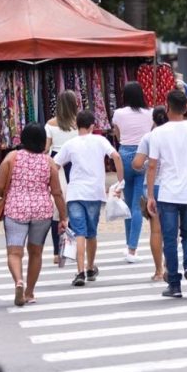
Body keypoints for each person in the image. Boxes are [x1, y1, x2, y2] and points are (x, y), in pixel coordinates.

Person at [146, 90, 187, 299]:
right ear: (186, 108)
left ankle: (174, 282)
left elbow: (152, 166)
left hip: (167, 193)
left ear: (167, 107)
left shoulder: (158, 133)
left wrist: (150, 196)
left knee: (170, 238)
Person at [0, 123, 67, 306]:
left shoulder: (12, 157)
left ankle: (18, 281)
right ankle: (29, 292)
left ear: (23, 139)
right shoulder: (48, 162)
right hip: (42, 211)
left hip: (15, 209)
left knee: (14, 251)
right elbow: (57, 193)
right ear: (43, 141)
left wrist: (8, 194)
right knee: (36, 252)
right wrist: (64, 217)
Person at [54, 111, 124, 287]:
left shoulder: (70, 144)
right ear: (92, 125)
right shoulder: (100, 141)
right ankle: (91, 267)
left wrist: (53, 186)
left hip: (75, 193)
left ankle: (80, 272)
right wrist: (120, 182)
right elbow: (116, 156)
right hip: (94, 193)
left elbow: (54, 164)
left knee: (79, 232)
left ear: (76, 125)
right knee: (91, 233)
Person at [111, 82, 153, 263]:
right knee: (137, 204)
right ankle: (132, 249)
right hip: (143, 155)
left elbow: (118, 136)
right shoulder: (150, 113)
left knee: (128, 203)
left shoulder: (118, 114)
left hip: (125, 155)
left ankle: (129, 244)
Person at [132, 106, 168, 282]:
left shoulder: (148, 137)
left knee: (156, 231)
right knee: (172, 230)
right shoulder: (174, 135)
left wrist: (147, 165)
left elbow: (137, 163)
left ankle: (158, 271)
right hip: (172, 186)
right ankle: (171, 266)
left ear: (153, 119)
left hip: (153, 187)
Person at [45, 90, 79, 264]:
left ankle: (56, 252)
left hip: (56, 166)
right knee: (74, 207)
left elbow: (45, 149)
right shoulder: (79, 123)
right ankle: (70, 249)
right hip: (75, 165)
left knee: (57, 211)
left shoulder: (50, 123)